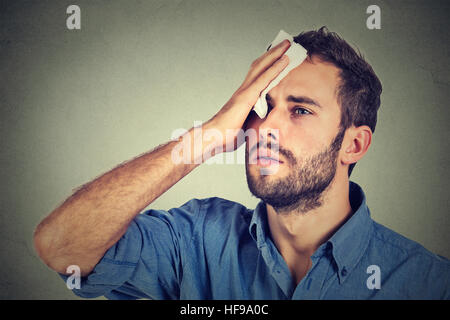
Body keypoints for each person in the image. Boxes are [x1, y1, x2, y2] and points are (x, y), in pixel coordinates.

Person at [33, 27, 450, 299]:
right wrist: (210, 134)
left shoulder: (427, 284)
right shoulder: (195, 241)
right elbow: (62, 246)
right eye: (262, 107)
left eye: (300, 110)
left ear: (354, 145)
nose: (265, 128)